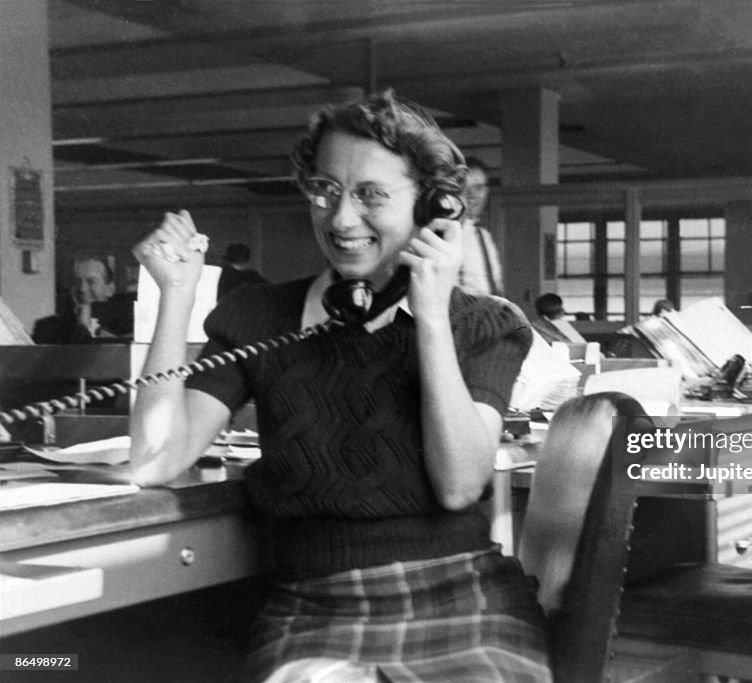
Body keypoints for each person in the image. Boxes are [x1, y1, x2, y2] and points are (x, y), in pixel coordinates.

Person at [128, 90, 550, 682]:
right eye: (325, 190)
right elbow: (154, 457)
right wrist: (176, 296)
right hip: (313, 606)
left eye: (371, 195)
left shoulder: (484, 324)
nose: (341, 218)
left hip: (463, 594)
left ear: (434, 209)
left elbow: (459, 485)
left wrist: (430, 315)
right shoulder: (259, 317)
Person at [32, 257, 133, 343]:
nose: (82, 288)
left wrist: (90, 328)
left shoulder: (127, 325)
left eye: (91, 282)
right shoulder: (46, 328)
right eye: (77, 282)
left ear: (110, 289)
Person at [458, 156, 505, 295]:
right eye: (464, 188)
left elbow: (495, 284)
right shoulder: (440, 234)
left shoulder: (484, 236)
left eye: (478, 188)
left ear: (487, 190)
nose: (472, 195)